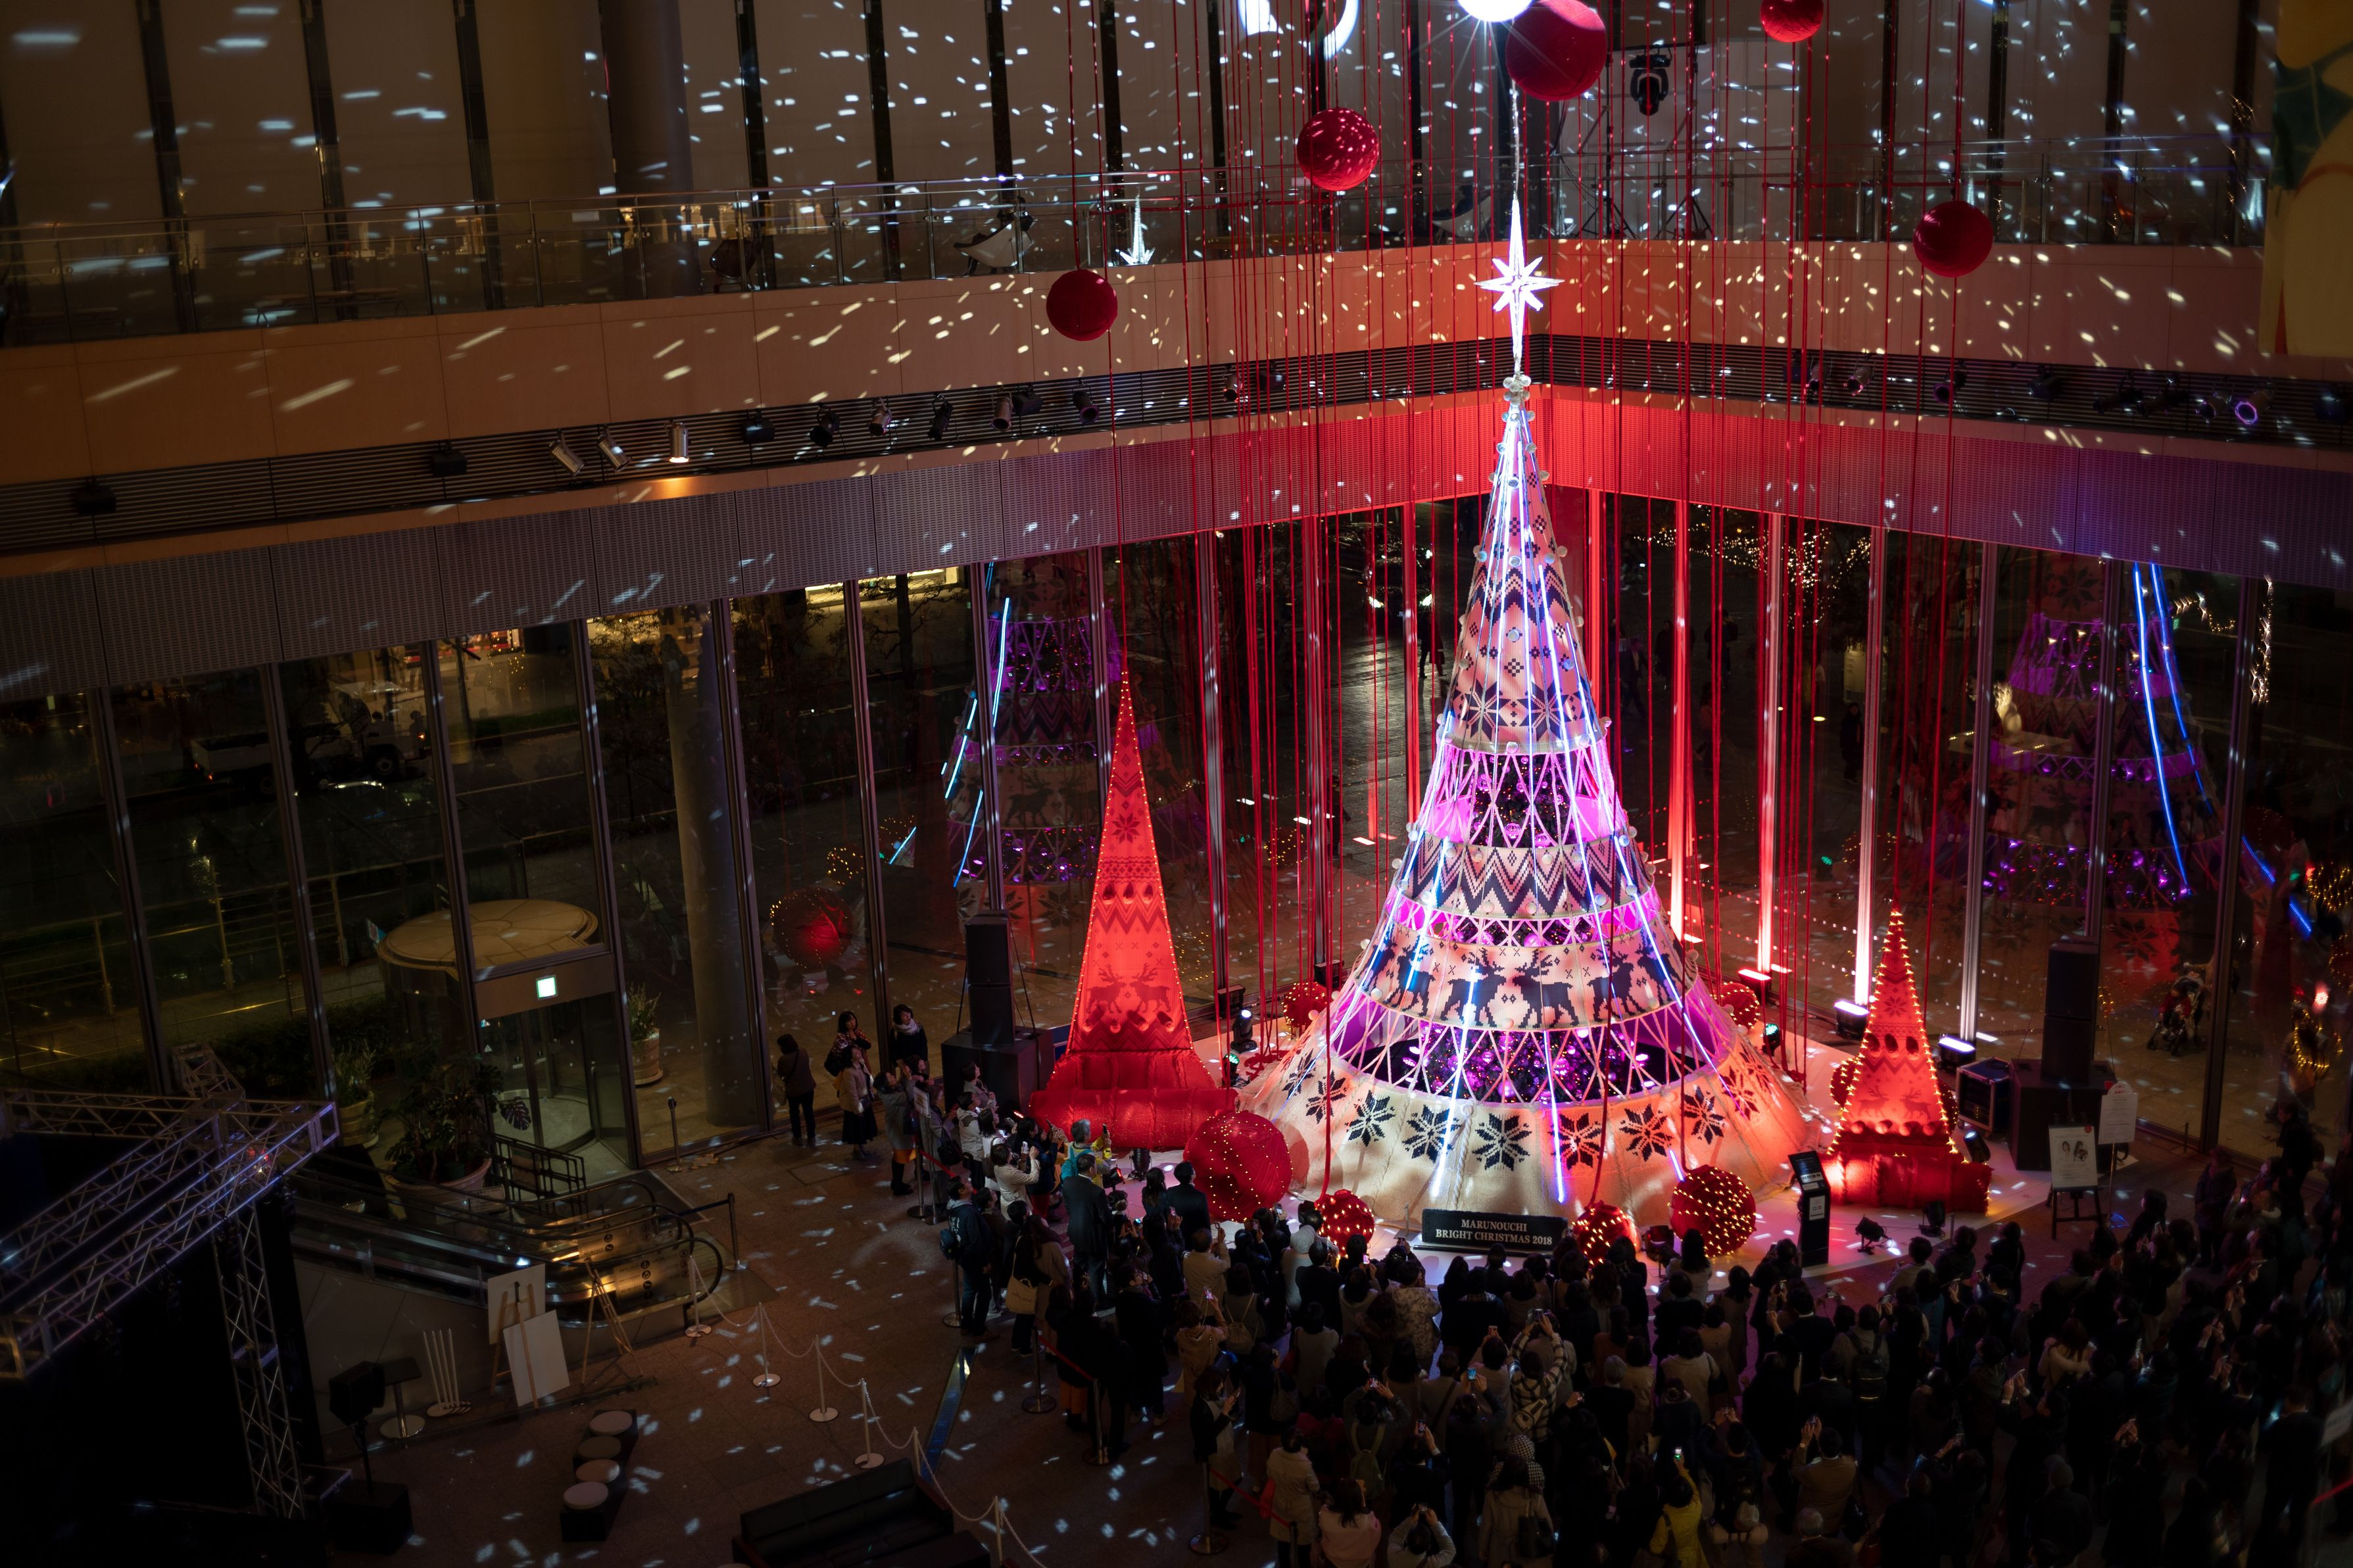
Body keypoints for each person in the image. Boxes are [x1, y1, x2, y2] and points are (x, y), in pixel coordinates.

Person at [1189, 1366, 1243, 1529]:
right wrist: (1225, 1413)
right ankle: (1217, 1515)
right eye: (1219, 1384)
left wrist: (1228, 1405)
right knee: (1218, 1486)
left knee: (1234, 1479)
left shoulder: (1212, 1397)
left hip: (1225, 1447)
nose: (1222, 1386)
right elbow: (1208, 1434)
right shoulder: (1200, 1407)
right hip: (1215, 1452)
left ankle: (1220, 1511)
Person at [1475, 1456, 1553, 1568]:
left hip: (1500, 1550)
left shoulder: (1492, 1495)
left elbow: (1486, 1524)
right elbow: (1547, 1522)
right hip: (1528, 1550)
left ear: (1504, 1473)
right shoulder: (1534, 1496)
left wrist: (1482, 1547)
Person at [944, 1178, 994, 1339]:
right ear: (960, 1191)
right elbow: (976, 1240)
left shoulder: (953, 1207)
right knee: (984, 1293)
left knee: (969, 1290)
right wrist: (985, 1263)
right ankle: (980, 1330)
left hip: (964, 1257)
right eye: (965, 1182)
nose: (969, 1182)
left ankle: (966, 1325)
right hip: (974, 1259)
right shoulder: (969, 1213)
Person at [1265, 1427, 1321, 1568]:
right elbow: (1315, 1487)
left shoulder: (1274, 1455)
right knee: (1303, 1545)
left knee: (1283, 1541)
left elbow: (1270, 1473)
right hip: (1301, 1508)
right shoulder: (1304, 1465)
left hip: (1281, 1501)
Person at [1061, 1150, 1113, 1291]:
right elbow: (1105, 1217)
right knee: (1096, 1269)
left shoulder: (1068, 1182)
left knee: (1079, 1262)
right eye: (1095, 1166)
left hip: (1076, 1231)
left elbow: (1067, 1206)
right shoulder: (1097, 1191)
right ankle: (1097, 1299)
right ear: (1091, 1170)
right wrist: (1110, 1228)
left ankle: (1078, 1291)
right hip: (1094, 1238)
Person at [1316, 1477, 1382, 1568]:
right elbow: (1376, 1533)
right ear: (1359, 1498)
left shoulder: (1325, 1516)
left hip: (1334, 1562)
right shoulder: (1368, 1521)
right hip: (1361, 1564)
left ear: (1337, 1496)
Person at [833, 1028, 875, 1162]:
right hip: (855, 1106)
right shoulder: (849, 1072)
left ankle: (861, 1147)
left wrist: (864, 1067)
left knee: (862, 1127)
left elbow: (869, 1078)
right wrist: (858, 1109)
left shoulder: (860, 1065)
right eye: (856, 1053)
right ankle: (857, 1149)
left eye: (858, 1051)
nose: (859, 1053)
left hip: (864, 1100)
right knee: (856, 1128)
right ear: (851, 1058)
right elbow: (852, 1093)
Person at [773, 1032, 817, 1147]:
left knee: (794, 1114)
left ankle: (798, 1137)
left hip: (794, 1092)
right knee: (809, 1112)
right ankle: (812, 1137)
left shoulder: (783, 1060)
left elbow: (781, 1074)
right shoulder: (803, 1052)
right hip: (808, 1088)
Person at [1385, 1503, 1456, 1568]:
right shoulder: (1433, 1565)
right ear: (1429, 1547)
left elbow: (1396, 1536)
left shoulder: (1394, 1556)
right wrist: (1435, 1524)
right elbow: (1450, 1550)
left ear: (1406, 1540)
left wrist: (1410, 1521)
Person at [1167, 1160, 1213, 1240]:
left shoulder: (1170, 1191)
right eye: (1193, 1169)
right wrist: (1208, 1239)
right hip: (1194, 1237)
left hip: (1174, 1234)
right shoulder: (1200, 1196)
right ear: (1192, 1176)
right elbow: (1205, 1221)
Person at [886, 1002, 929, 1073]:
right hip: (906, 1066)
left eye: (908, 1013)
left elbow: (924, 1043)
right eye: (904, 1015)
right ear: (898, 1018)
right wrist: (900, 1063)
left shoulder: (918, 1026)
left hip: (920, 1063)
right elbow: (893, 1049)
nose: (908, 1016)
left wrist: (922, 1060)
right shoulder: (895, 1031)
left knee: (922, 1079)